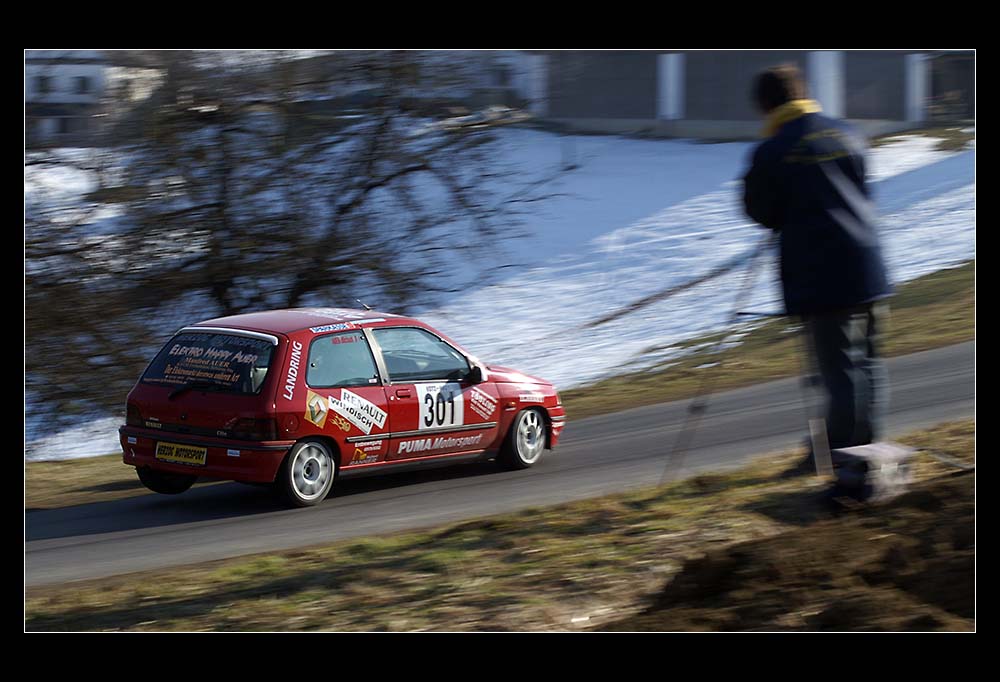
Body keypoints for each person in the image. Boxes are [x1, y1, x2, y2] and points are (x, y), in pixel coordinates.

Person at [742, 64, 892, 470]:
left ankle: (839, 459)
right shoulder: (847, 132)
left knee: (839, 370)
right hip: (869, 263)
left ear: (764, 105)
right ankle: (864, 452)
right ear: (802, 92)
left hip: (822, 273)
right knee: (867, 364)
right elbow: (862, 187)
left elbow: (760, 210)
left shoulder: (773, 149)